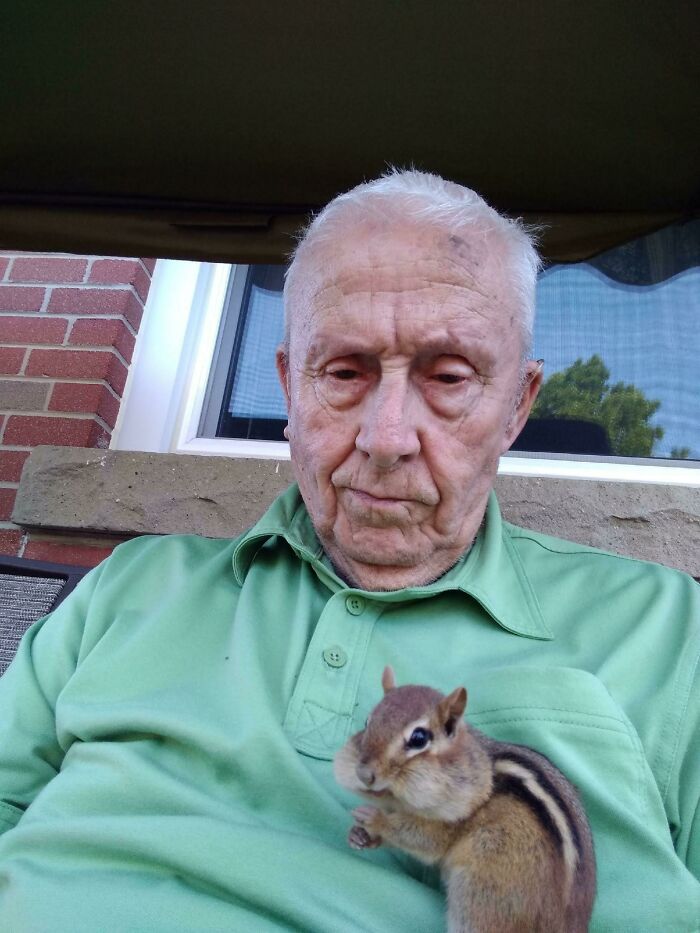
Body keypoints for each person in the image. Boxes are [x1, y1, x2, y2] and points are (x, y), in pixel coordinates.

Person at [0, 170, 698, 931]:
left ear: (517, 407)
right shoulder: (132, 585)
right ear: (288, 389)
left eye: (449, 377)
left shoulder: (670, 630)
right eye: (342, 372)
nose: (386, 438)